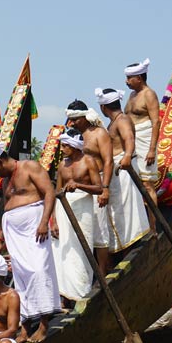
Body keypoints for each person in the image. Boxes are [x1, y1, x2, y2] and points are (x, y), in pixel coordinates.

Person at [0, 142, 61, 342]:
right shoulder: (6, 181)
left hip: (34, 227)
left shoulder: (30, 167)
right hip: (14, 232)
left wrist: (45, 222)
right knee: (20, 277)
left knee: (39, 271)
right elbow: (6, 208)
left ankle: (43, 325)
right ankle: (25, 329)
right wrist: (0, 236)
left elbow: (49, 192)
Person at [95, 87, 151, 256]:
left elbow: (129, 138)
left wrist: (127, 155)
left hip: (124, 170)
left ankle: (131, 246)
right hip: (116, 170)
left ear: (103, 107)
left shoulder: (122, 120)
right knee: (118, 210)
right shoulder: (113, 122)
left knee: (126, 209)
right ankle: (123, 247)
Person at [51, 130, 103, 303]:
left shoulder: (88, 161)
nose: (63, 148)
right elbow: (57, 192)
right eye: (62, 145)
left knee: (81, 249)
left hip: (83, 207)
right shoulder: (61, 165)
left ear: (74, 146)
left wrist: (78, 185)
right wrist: (54, 220)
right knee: (62, 252)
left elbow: (99, 188)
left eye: (66, 145)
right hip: (63, 208)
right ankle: (64, 296)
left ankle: (81, 293)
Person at [66, 99, 113, 277]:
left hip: (97, 184)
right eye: (71, 120)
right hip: (77, 189)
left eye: (75, 119)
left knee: (100, 229)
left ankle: (101, 271)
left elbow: (109, 161)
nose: (72, 123)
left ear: (84, 117)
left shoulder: (98, 134)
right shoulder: (72, 135)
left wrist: (105, 189)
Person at [124, 58, 160, 233]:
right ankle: (138, 226)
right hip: (130, 141)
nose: (126, 81)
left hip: (146, 140)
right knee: (131, 183)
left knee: (147, 184)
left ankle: (153, 226)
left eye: (130, 78)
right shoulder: (131, 95)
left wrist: (152, 149)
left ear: (139, 77)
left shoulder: (149, 94)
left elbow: (156, 122)